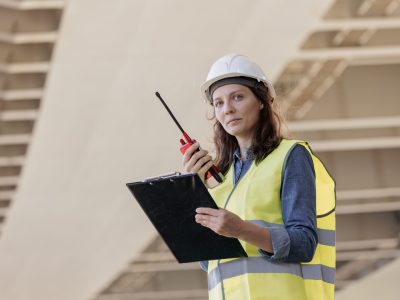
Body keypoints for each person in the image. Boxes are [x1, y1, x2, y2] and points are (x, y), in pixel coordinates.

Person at [182, 54, 336, 300]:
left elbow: (303, 243)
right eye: (218, 103)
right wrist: (192, 192)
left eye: (238, 97)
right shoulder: (221, 179)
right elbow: (208, 262)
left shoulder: (290, 156)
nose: (227, 108)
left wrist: (240, 229)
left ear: (262, 101)